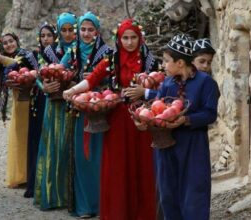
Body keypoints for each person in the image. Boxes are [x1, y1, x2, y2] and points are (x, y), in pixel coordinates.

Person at [63, 18, 158, 220]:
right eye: (125, 38)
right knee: (117, 167)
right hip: (117, 121)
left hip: (142, 120)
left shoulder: (150, 60)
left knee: (142, 165)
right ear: (119, 39)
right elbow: (92, 79)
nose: (130, 42)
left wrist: (145, 90)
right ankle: (118, 213)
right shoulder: (111, 59)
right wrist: (72, 90)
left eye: (133, 37)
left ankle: (143, 214)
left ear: (140, 38)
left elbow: (161, 86)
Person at [152, 34, 220, 220]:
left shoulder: (206, 83)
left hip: (193, 145)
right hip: (166, 144)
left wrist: (186, 120)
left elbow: (210, 113)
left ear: (180, 62)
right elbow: (157, 109)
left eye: (167, 61)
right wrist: (146, 120)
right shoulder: (167, 83)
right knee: (168, 193)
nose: (164, 65)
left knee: (194, 193)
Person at [61, 11, 112, 218]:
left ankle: (102, 204)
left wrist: (97, 84)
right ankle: (84, 206)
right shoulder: (72, 51)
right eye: (83, 29)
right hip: (79, 111)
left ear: (97, 31)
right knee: (82, 158)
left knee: (100, 157)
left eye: (91, 30)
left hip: (101, 110)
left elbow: (113, 81)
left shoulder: (106, 52)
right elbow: (58, 71)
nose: (86, 33)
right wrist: (71, 82)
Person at [0, 33, 39, 188]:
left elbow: (13, 64)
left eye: (11, 41)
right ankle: (21, 176)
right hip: (18, 105)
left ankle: (30, 176)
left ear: (17, 42)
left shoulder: (26, 56)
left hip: (32, 102)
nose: (9, 45)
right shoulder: (2, 60)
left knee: (28, 139)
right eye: (5, 43)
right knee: (18, 141)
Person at [33, 12, 77, 211]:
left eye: (71, 30)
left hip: (73, 104)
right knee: (53, 147)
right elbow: (38, 74)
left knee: (70, 147)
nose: (68, 34)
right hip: (53, 105)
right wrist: (43, 87)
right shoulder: (49, 51)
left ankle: (71, 197)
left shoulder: (81, 50)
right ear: (59, 31)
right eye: (64, 30)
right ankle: (52, 196)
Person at [23, 22, 56, 198]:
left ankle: (50, 185)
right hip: (38, 101)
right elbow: (25, 73)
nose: (45, 39)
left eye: (49, 35)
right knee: (36, 140)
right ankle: (35, 184)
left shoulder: (60, 55)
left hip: (54, 102)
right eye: (42, 36)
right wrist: (39, 84)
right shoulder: (34, 56)